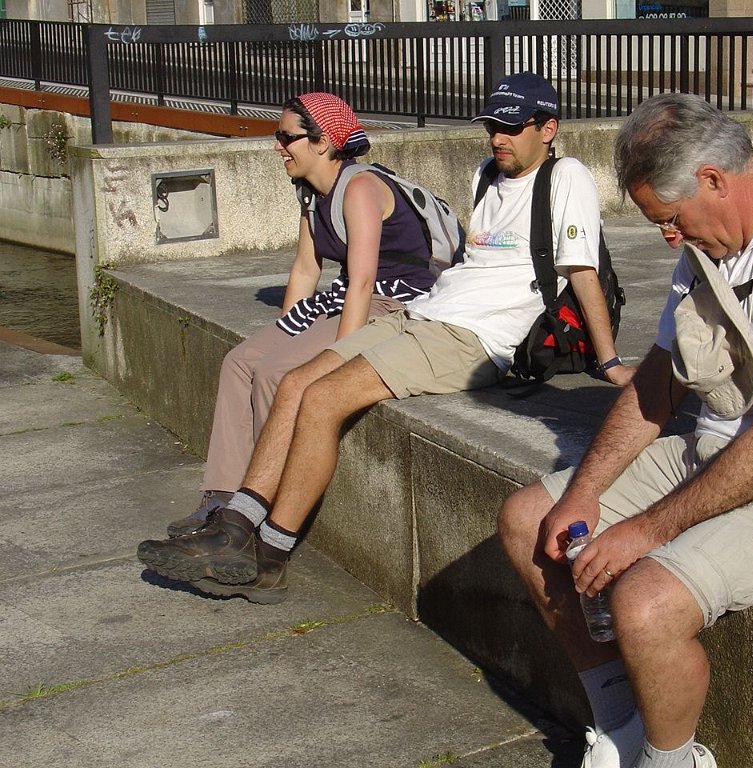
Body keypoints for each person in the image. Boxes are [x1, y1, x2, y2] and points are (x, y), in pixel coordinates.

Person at [498, 93, 753, 768]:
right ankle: (621, 727)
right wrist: (585, 493)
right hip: (713, 451)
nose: (669, 237)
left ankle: (671, 760)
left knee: (645, 603)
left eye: (671, 218)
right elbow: (656, 387)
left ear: (714, 180)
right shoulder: (706, 248)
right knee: (529, 522)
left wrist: (646, 530)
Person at [138, 72, 634, 604]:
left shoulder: (568, 176)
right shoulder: (486, 174)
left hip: (473, 336)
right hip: (426, 311)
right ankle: (233, 528)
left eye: (511, 128)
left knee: (323, 397)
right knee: (295, 382)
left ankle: (269, 557)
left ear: (548, 129)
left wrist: (608, 363)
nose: (498, 138)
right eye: (492, 126)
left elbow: (581, 271)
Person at [166, 92, 440, 539]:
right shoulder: (312, 194)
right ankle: (222, 496)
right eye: (278, 136)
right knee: (240, 362)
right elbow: (305, 270)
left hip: (391, 300)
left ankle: (260, 507)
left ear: (322, 141)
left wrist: (337, 359)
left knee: (275, 372)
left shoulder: (361, 188)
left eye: (286, 137)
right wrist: (285, 333)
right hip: (348, 296)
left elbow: (364, 281)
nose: (278, 146)